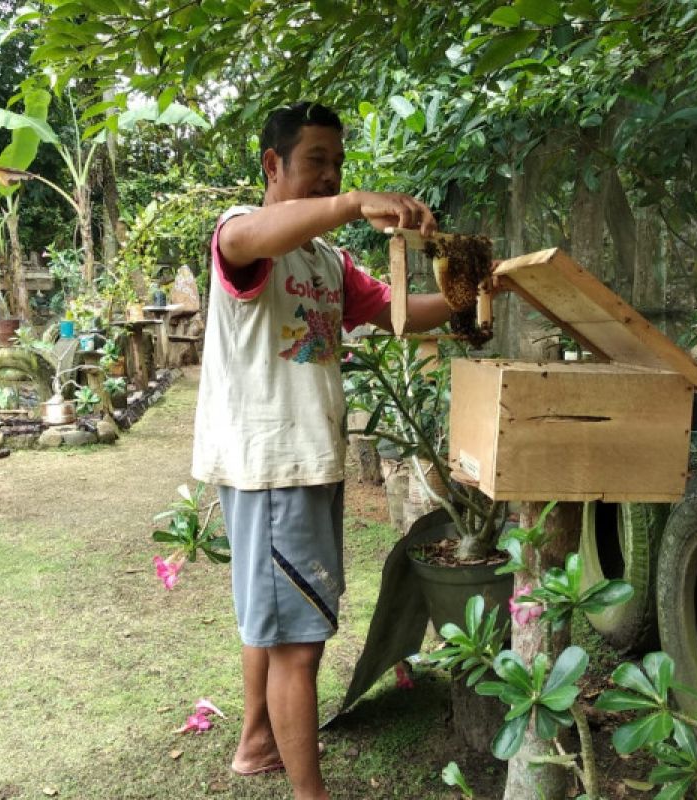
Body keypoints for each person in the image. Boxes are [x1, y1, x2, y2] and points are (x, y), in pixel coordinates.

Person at [191, 101, 454, 800]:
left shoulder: (326, 262)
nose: (331, 176)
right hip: (274, 466)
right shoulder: (242, 236)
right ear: (273, 166)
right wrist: (350, 202)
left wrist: (474, 291)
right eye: (316, 162)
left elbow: (402, 314)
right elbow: (250, 237)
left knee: (274, 620)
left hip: (303, 460)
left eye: (339, 165)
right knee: (298, 644)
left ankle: (256, 743)